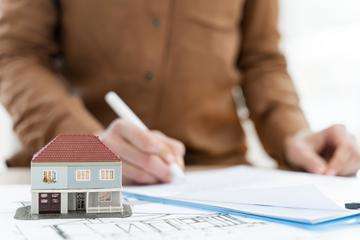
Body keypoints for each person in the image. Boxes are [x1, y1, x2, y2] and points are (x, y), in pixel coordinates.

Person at [0, 0, 359, 184]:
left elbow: (261, 59)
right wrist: (86, 144)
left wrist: (294, 134)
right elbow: (15, 54)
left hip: (219, 178)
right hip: (78, 174)